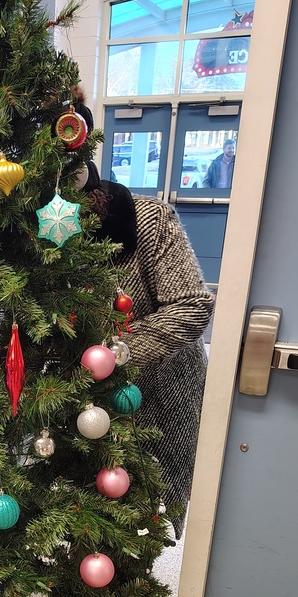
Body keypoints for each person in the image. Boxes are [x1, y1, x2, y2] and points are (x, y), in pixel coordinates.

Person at [82, 164, 214, 538]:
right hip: (72, 397)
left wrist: (107, 356)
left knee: (147, 511)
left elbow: (192, 305)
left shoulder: (147, 219)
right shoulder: (20, 229)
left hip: (159, 384)